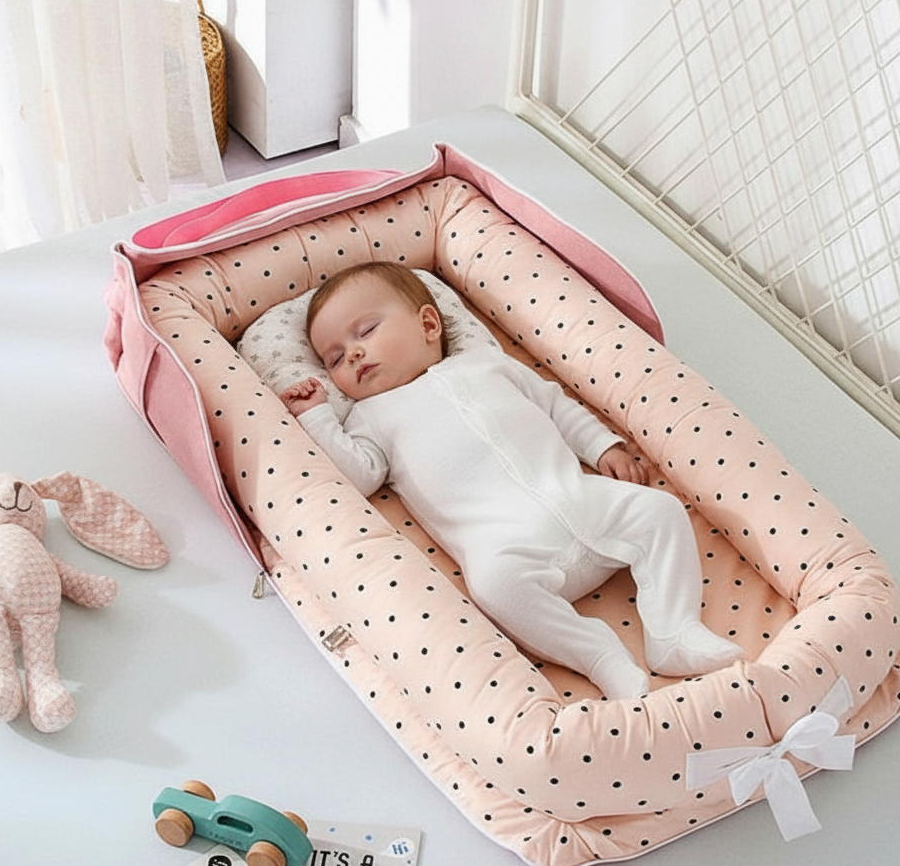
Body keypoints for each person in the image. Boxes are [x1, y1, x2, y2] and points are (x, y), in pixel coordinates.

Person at [279, 261, 743, 698]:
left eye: (366, 331)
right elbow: (357, 475)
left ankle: (672, 629)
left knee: (660, 511)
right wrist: (317, 416)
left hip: (580, 497)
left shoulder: (487, 363)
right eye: (335, 358)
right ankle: (598, 655)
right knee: (493, 587)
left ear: (427, 324)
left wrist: (604, 447)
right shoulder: (369, 417)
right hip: (505, 545)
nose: (353, 353)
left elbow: (555, 405)